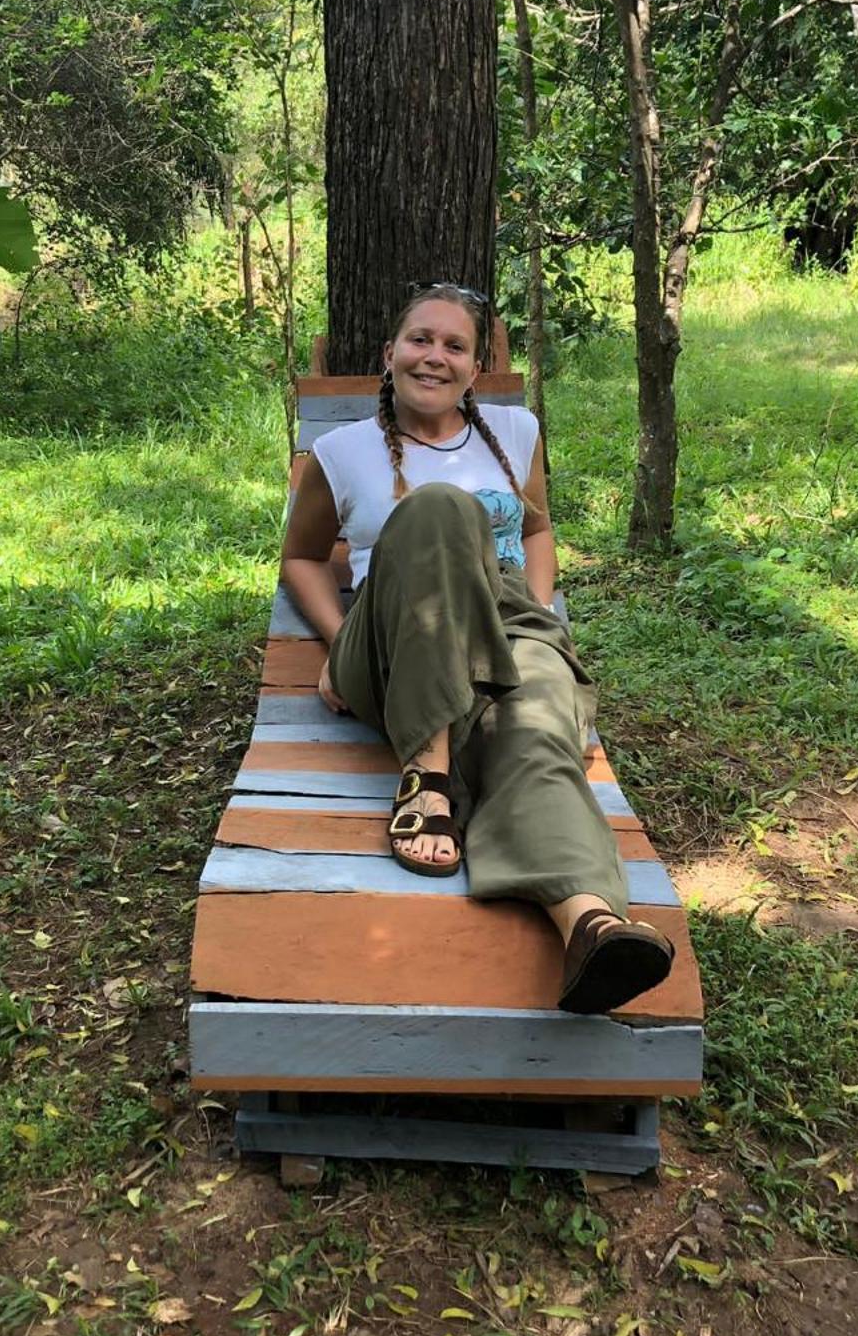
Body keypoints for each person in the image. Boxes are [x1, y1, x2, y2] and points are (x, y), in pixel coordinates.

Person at [280, 284, 675, 1015]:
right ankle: (426, 771)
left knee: (531, 733)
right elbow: (301, 557)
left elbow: (534, 531)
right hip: (395, 637)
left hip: (508, 621)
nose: (434, 356)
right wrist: (336, 644)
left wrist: (545, 620)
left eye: (454, 345)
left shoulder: (516, 431)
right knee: (438, 508)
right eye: (420, 339)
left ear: (472, 368)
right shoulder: (339, 451)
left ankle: (589, 923)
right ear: (390, 354)